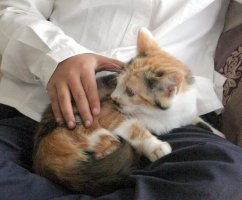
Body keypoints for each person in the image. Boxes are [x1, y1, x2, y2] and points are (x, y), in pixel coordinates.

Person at [0, 1, 241, 200]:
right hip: (41, 109)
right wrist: (57, 55)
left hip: (169, 120)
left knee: (222, 180)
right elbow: (10, 8)